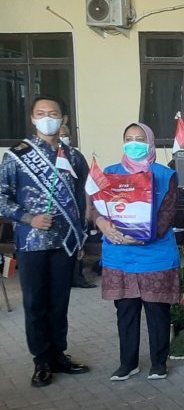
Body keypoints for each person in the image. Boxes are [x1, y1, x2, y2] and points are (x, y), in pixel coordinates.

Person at [0, 95, 89, 387]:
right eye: (41, 113)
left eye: (53, 113)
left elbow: (81, 199)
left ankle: (58, 355)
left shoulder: (73, 157)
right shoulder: (16, 156)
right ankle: (41, 360)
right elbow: (2, 198)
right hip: (32, 242)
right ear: (32, 118)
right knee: (35, 303)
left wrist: (80, 237)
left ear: (63, 119)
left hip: (65, 242)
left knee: (59, 303)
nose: (47, 118)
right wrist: (28, 218)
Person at [88, 123, 180, 381]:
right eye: (129, 138)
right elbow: (95, 207)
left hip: (155, 255)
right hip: (120, 255)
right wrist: (103, 224)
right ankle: (127, 363)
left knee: (157, 311)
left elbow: (168, 213)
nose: (134, 143)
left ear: (150, 142)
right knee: (126, 311)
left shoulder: (165, 175)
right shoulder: (109, 174)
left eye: (140, 139)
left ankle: (159, 363)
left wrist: (142, 236)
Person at [59, 122, 96, 288]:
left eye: (65, 135)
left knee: (77, 242)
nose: (63, 138)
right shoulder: (45, 159)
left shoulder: (76, 157)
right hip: (56, 212)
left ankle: (77, 277)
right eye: (60, 135)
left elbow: (87, 183)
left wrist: (89, 208)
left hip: (77, 208)